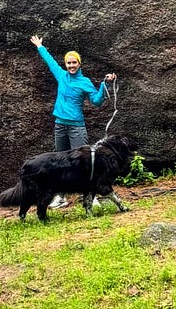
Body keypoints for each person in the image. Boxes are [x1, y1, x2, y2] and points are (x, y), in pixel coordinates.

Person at [29, 34, 117, 209]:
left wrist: (105, 84)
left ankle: (91, 196)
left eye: (74, 62)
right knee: (60, 162)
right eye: (68, 63)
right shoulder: (61, 76)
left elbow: (96, 101)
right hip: (60, 125)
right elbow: (50, 62)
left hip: (77, 127)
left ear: (79, 64)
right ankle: (61, 197)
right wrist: (40, 46)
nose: (71, 66)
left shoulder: (85, 82)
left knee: (84, 163)